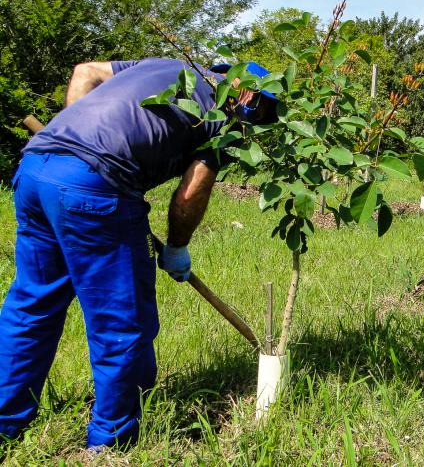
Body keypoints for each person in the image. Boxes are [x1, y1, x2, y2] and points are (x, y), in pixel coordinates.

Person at [0, 58, 277, 449]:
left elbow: (85, 72)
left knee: (32, 305)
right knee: (121, 320)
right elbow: (190, 193)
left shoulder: (168, 64)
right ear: (249, 96)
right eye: (262, 112)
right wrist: (177, 247)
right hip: (93, 189)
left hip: (37, 168)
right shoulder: (221, 119)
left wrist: (73, 140)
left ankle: (4, 424)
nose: (254, 124)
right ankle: (112, 443)